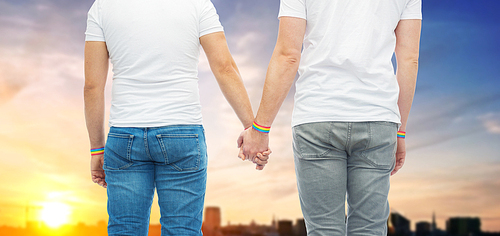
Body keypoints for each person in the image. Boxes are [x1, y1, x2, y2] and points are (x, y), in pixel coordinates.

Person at [83, 0, 267, 235]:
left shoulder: (103, 7)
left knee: (124, 229)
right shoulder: (198, 4)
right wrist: (252, 129)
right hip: (182, 134)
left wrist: (96, 149)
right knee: (182, 229)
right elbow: (225, 67)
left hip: (125, 136)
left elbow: (92, 86)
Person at [239, 0, 422, 235]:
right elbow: (409, 60)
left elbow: (288, 55)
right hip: (377, 118)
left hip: (317, 116)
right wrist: (400, 130)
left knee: (323, 229)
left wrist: (260, 128)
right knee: (370, 229)